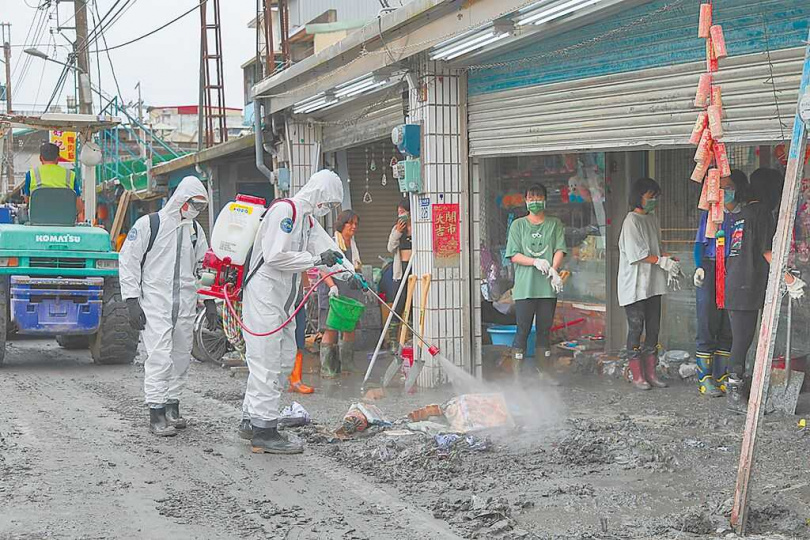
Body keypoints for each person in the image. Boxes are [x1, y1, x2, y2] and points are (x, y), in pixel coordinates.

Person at [239, 170, 357, 454]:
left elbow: (328, 249)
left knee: (282, 360)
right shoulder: (285, 211)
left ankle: (250, 419)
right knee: (268, 361)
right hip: (264, 297)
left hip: (284, 300)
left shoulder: (307, 221)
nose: (327, 208)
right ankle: (264, 431)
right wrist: (316, 260)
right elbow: (275, 256)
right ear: (317, 194)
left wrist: (349, 273)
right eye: (327, 202)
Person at [119, 176, 216, 436]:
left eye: (201, 207)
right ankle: (156, 412)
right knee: (160, 357)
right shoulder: (150, 225)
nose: (196, 211)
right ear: (182, 200)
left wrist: (210, 301)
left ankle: (172, 405)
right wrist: (131, 301)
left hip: (185, 304)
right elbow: (128, 261)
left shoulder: (194, 230)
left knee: (182, 357)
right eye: (194, 204)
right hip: (156, 302)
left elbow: (204, 267)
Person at [724, 168, 805, 413]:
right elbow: (766, 251)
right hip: (745, 283)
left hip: (737, 281)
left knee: (743, 338)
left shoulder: (744, 212)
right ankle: (734, 390)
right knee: (742, 340)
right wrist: (789, 278)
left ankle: (743, 385)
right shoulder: (761, 213)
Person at [618, 177, 678, 391]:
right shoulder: (631, 221)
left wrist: (667, 258)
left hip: (653, 283)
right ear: (638, 197)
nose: (653, 200)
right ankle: (637, 374)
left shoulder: (652, 219)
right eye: (649, 196)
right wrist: (661, 261)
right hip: (634, 285)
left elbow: (655, 249)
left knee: (653, 328)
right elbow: (638, 254)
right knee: (636, 328)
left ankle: (651, 372)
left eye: (655, 196)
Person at [693, 170, 749, 397]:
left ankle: (722, 374)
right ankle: (704, 377)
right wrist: (698, 266)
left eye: (728, 187)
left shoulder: (744, 215)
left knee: (729, 321)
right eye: (721, 188)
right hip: (710, 266)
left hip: (734, 269)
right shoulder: (711, 214)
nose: (724, 192)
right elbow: (699, 243)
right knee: (707, 319)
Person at [505, 183, 567, 379]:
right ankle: (517, 377)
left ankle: (544, 373)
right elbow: (513, 254)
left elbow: (559, 249)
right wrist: (535, 261)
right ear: (525, 201)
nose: (534, 201)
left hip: (547, 288)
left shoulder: (554, 223)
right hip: (525, 287)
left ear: (545, 200)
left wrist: (554, 270)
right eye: (531, 198)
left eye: (538, 197)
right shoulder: (518, 225)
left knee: (544, 331)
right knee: (522, 330)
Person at [318, 210, 364, 377]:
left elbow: (355, 266)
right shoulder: (331, 243)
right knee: (331, 329)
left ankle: (347, 365)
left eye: (355, 224)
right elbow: (322, 269)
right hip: (333, 291)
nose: (353, 227)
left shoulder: (353, 244)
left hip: (350, 291)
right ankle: (327, 368)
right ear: (341, 224)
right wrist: (332, 286)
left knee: (349, 327)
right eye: (350, 223)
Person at [23, 142, 84, 221]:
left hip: (38, 222)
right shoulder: (70, 175)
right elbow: (79, 207)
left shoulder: (31, 174)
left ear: (40, 158)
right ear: (58, 158)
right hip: (65, 223)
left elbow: (27, 201)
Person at [288, 272, 314, 394]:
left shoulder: (298, 253)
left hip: (297, 301)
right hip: (280, 303)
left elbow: (302, 267)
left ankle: (295, 380)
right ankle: (280, 380)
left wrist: (307, 287)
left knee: (299, 340)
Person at [387, 199, 413, 314]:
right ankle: (393, 329)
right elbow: (390, 248)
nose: (401, 215)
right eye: (399, 212)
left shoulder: (418, 228)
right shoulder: (396, 229)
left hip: (414, 267)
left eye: (403, 211)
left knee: (412, 301)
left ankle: (410, 328)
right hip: (401, 268)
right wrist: (398, 231)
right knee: (399, 301)